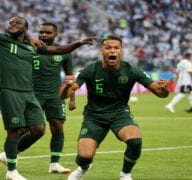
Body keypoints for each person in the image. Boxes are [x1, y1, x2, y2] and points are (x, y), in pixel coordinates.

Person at [0, 1, 96, 179]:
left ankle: (45, 162)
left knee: (39, 129)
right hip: (10, 91)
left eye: (18, 23)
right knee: (15, 131)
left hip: (29, 94)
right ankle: (12, 170)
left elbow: (60, 49)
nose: (12, 24)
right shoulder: (1, 39)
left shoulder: (33, 46)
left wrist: (78, 43)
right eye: (10, 23)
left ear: (25, 29)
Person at [59, 35, 169, 180]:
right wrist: (67, 86)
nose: (112, 51)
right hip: (94, 116)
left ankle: (125, 173)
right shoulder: (89, 69)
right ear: (101, 51)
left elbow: (160, 93)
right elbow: (63, 95)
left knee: (135, 141)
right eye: (108, 47)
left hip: (120, 113)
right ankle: (84, 167)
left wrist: (165, 89)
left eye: (116, 48)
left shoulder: (131, 70)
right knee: (84, 157)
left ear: (121, 51)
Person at [33, 22, 78, 174]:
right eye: (41, 32)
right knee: (28, 129)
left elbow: (70, 77)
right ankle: (11, 158)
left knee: (58, 127)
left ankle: (54, 164)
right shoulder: (31, 49)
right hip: (33, 95)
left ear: (55, 34)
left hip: (55, 96)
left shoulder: (64, 52)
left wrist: (72, 99)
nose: (44, 35)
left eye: (48, 33)